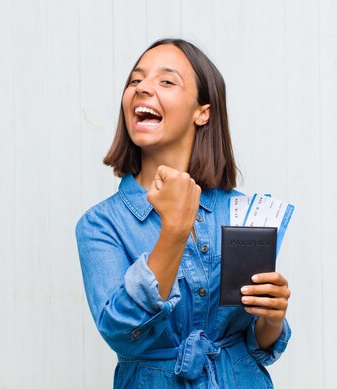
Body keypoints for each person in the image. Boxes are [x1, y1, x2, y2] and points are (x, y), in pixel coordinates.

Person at [75, 38, 291, 389]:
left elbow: (260, 344)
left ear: (201, 111)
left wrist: (272, 318)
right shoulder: (100, 225)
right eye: (135, 80)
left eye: (166, 81)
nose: (142, 88)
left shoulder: (239, 211)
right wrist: (174, 230)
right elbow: (121, 331)